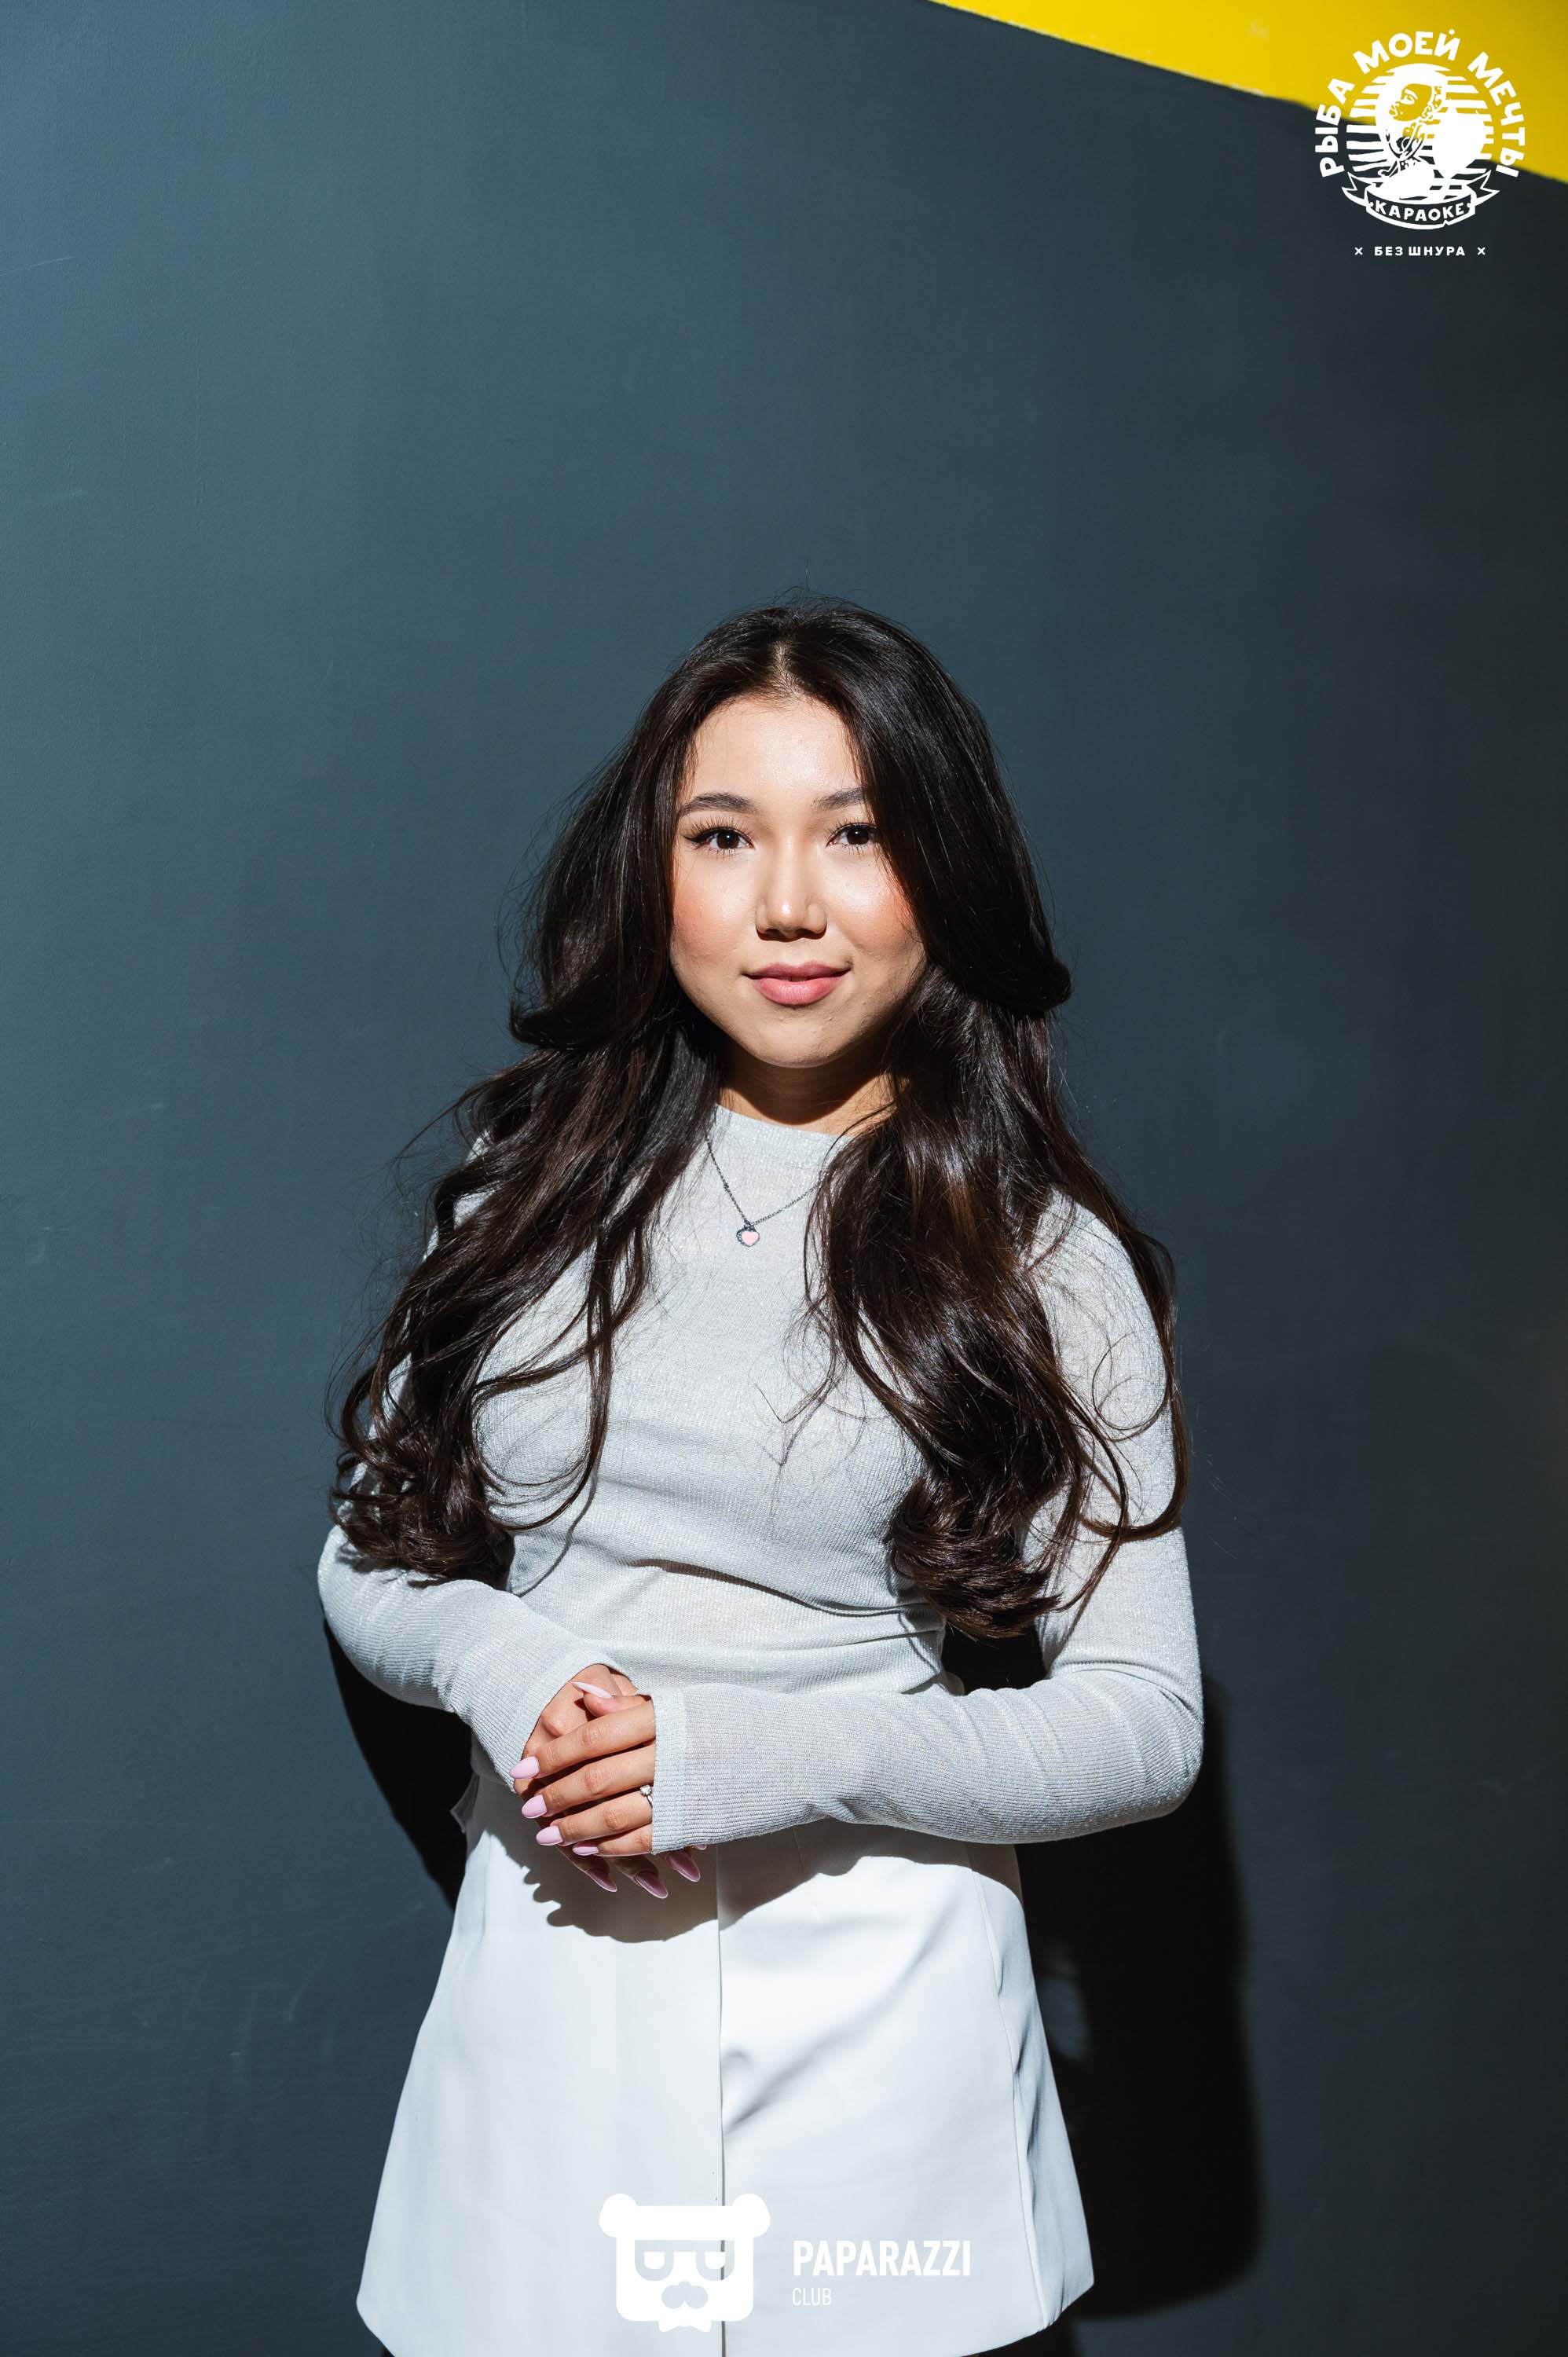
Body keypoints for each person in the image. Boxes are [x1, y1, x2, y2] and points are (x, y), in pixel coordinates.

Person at [317, 592, 1203, 2357]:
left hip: (876, 2009)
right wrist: (513, 1667)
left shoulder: (1042, 1257)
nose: (786, 903)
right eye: (723, 836)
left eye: (856, 835)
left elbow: (1144, 1721)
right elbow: (373, 1553)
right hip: (553, 1970)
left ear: (941, 873)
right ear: (655, 875)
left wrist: (767, 1753)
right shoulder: (523, 1181)